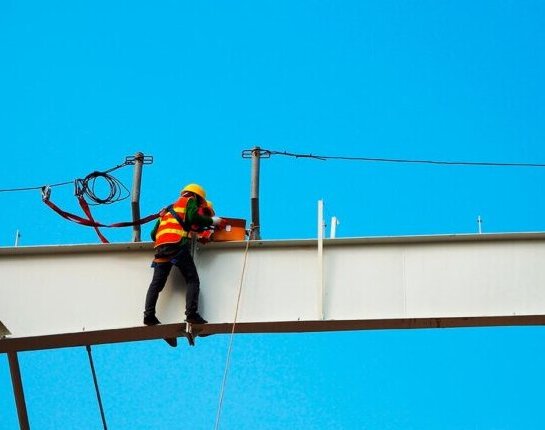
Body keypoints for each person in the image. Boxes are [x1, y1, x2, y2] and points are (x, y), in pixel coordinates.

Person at [143, 183, 226, 327]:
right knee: (192, 279)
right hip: (176, 246)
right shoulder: (189, 201)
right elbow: (193, 217)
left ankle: (148, 316)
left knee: (156, 284)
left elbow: (153, 234)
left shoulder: (167, 210)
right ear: (196, 196)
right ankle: (191, 314)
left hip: (160, 250)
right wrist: (213, 221)